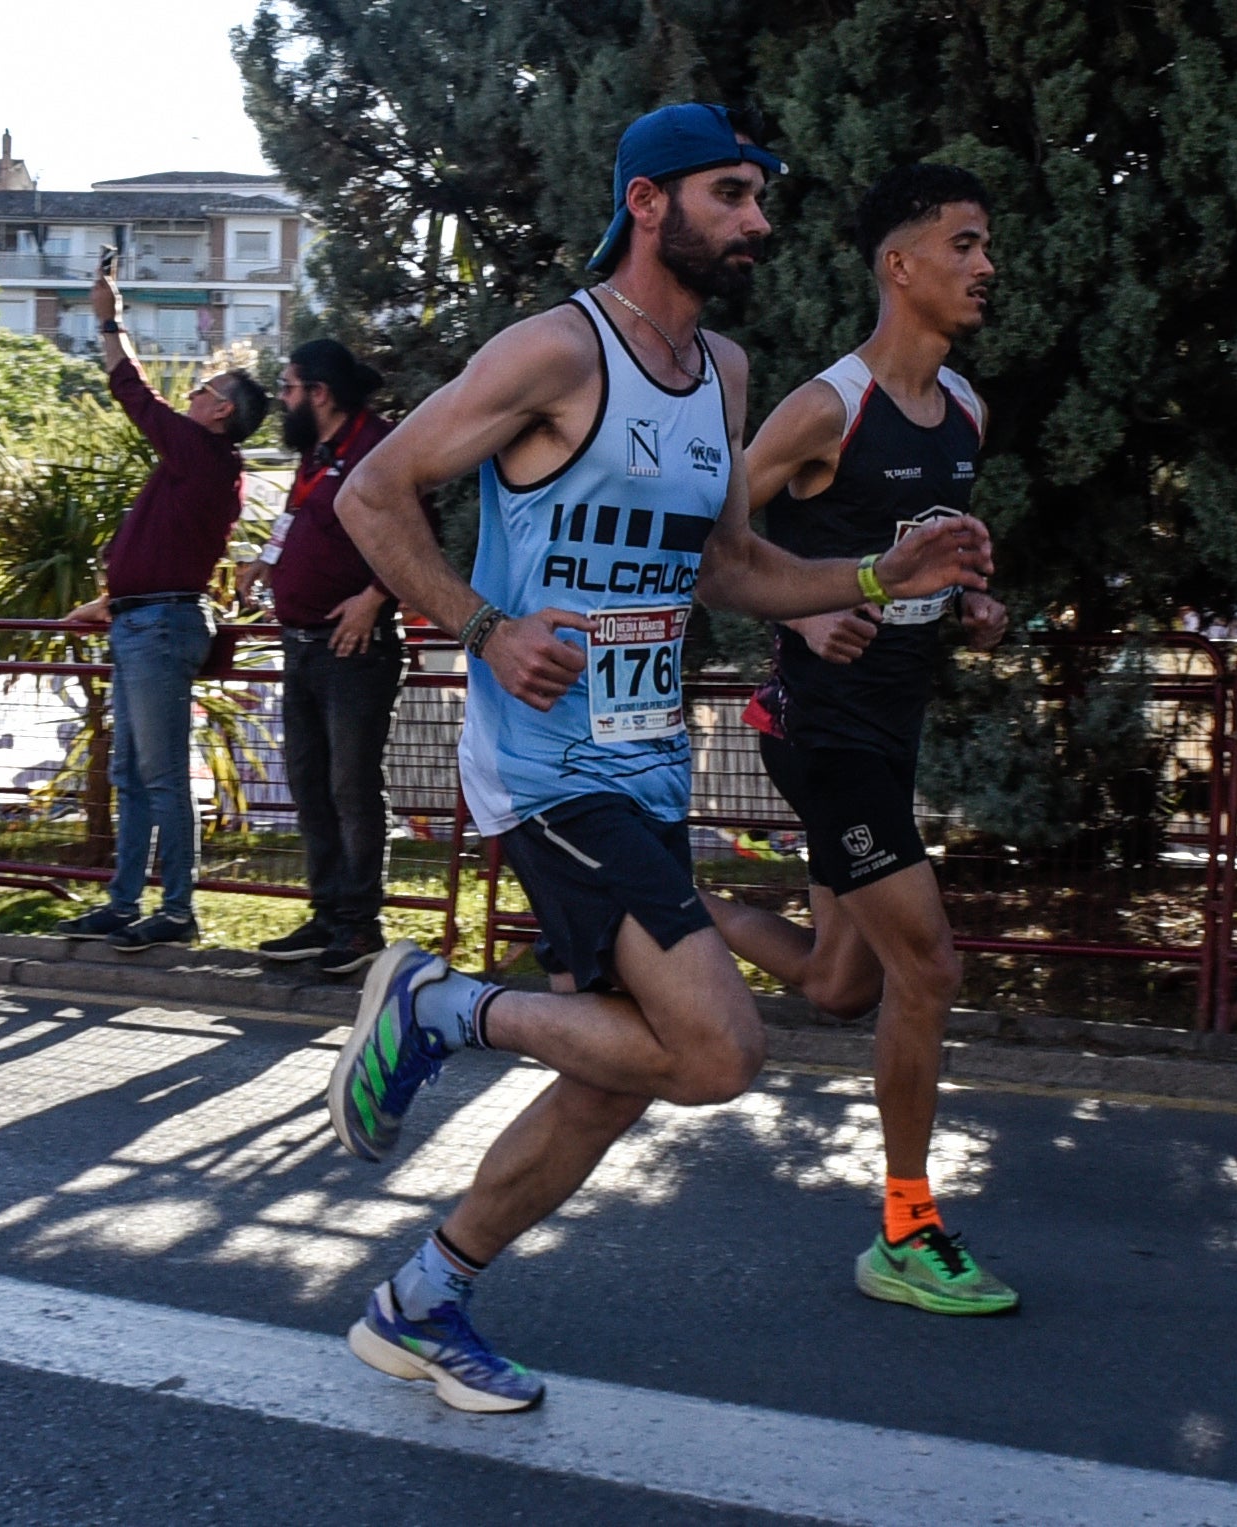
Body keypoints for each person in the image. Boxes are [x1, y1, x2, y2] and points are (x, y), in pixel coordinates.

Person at [329, 102, 995, 1413]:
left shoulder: (725, 376)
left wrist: (871, 572)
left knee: (617, 1070)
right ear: (650, 204)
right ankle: (434, 1006)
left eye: (758, 197)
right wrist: (483, 625)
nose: (757, 221)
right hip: (546, 761)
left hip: (646, 761)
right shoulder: (554, 353)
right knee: (716, 1048)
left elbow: (733, 565)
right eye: (732, 195)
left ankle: (421, 1295)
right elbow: (371, 492)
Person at [706, 162, 1018, 1316]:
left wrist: (975, 611)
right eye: (965, 245)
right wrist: (802, 600)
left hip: (892, 725)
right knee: (927, 966)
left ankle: (663, 917)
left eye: (986, 247)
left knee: (843, 985)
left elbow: (926, 575)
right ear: (901, 266)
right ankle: (904, 1224)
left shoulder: (967, 412)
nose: (986, 267)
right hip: (817, 724)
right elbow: (706, 542)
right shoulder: (827, 408)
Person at [54, 274, 269, 953]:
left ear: (221, 414)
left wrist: (110, 322)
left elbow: (133, 393)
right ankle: (127, 902)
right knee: (133, 773)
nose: (195, 392)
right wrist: (114, 601)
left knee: (161, 775)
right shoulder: (202, 464)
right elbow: (168, 552)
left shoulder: (200, 455)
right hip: (144, 619)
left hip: (158, 625)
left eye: (207, 390)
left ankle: (174, 907)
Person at [239, 339, 430, 976]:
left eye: (289, 387)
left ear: (320, 393)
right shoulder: (313, 454)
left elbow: (419, 538)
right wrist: (267, 563)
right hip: (299, 647)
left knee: (351, 785)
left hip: (355, 652)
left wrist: (375, 599)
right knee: (310, 784)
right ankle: (326, 916)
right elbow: (296, 520)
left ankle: (359, 926)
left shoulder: (379, 447)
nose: (282, 399)